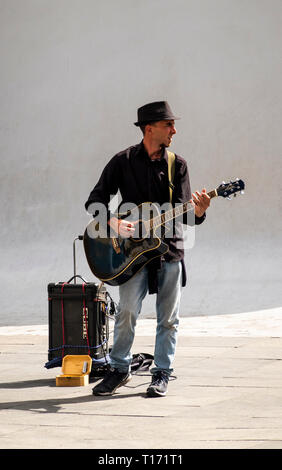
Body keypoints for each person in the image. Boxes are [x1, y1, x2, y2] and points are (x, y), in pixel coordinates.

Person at [85, 101, 210, 397]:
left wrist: (201, 210)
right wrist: (113, 222)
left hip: (169, 250)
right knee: (127, 311)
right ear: (149, 128)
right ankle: (119, 369)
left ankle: (162, 372)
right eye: (169, 125)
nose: (174, 130)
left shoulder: (177, 164)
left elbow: (186, 213)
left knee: (168, 318)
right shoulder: (122, 161)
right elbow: (94, 201)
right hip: (130, 255)